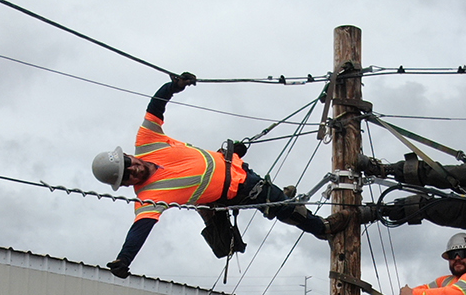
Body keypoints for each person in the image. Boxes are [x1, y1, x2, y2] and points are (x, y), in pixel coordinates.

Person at [94, 74, 350, 277]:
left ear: (128, 155)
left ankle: (287, 201)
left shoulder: (148, 142)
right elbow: (139, 231)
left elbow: (155, 108)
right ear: (125, 185)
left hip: (233, 163)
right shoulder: (148, 198)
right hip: (238, 191)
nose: (134, 170)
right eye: (127, 176)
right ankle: (322, 228)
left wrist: (173, 86)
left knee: (280, 202)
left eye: (128, 163)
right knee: (283, 208)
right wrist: (123, 259)